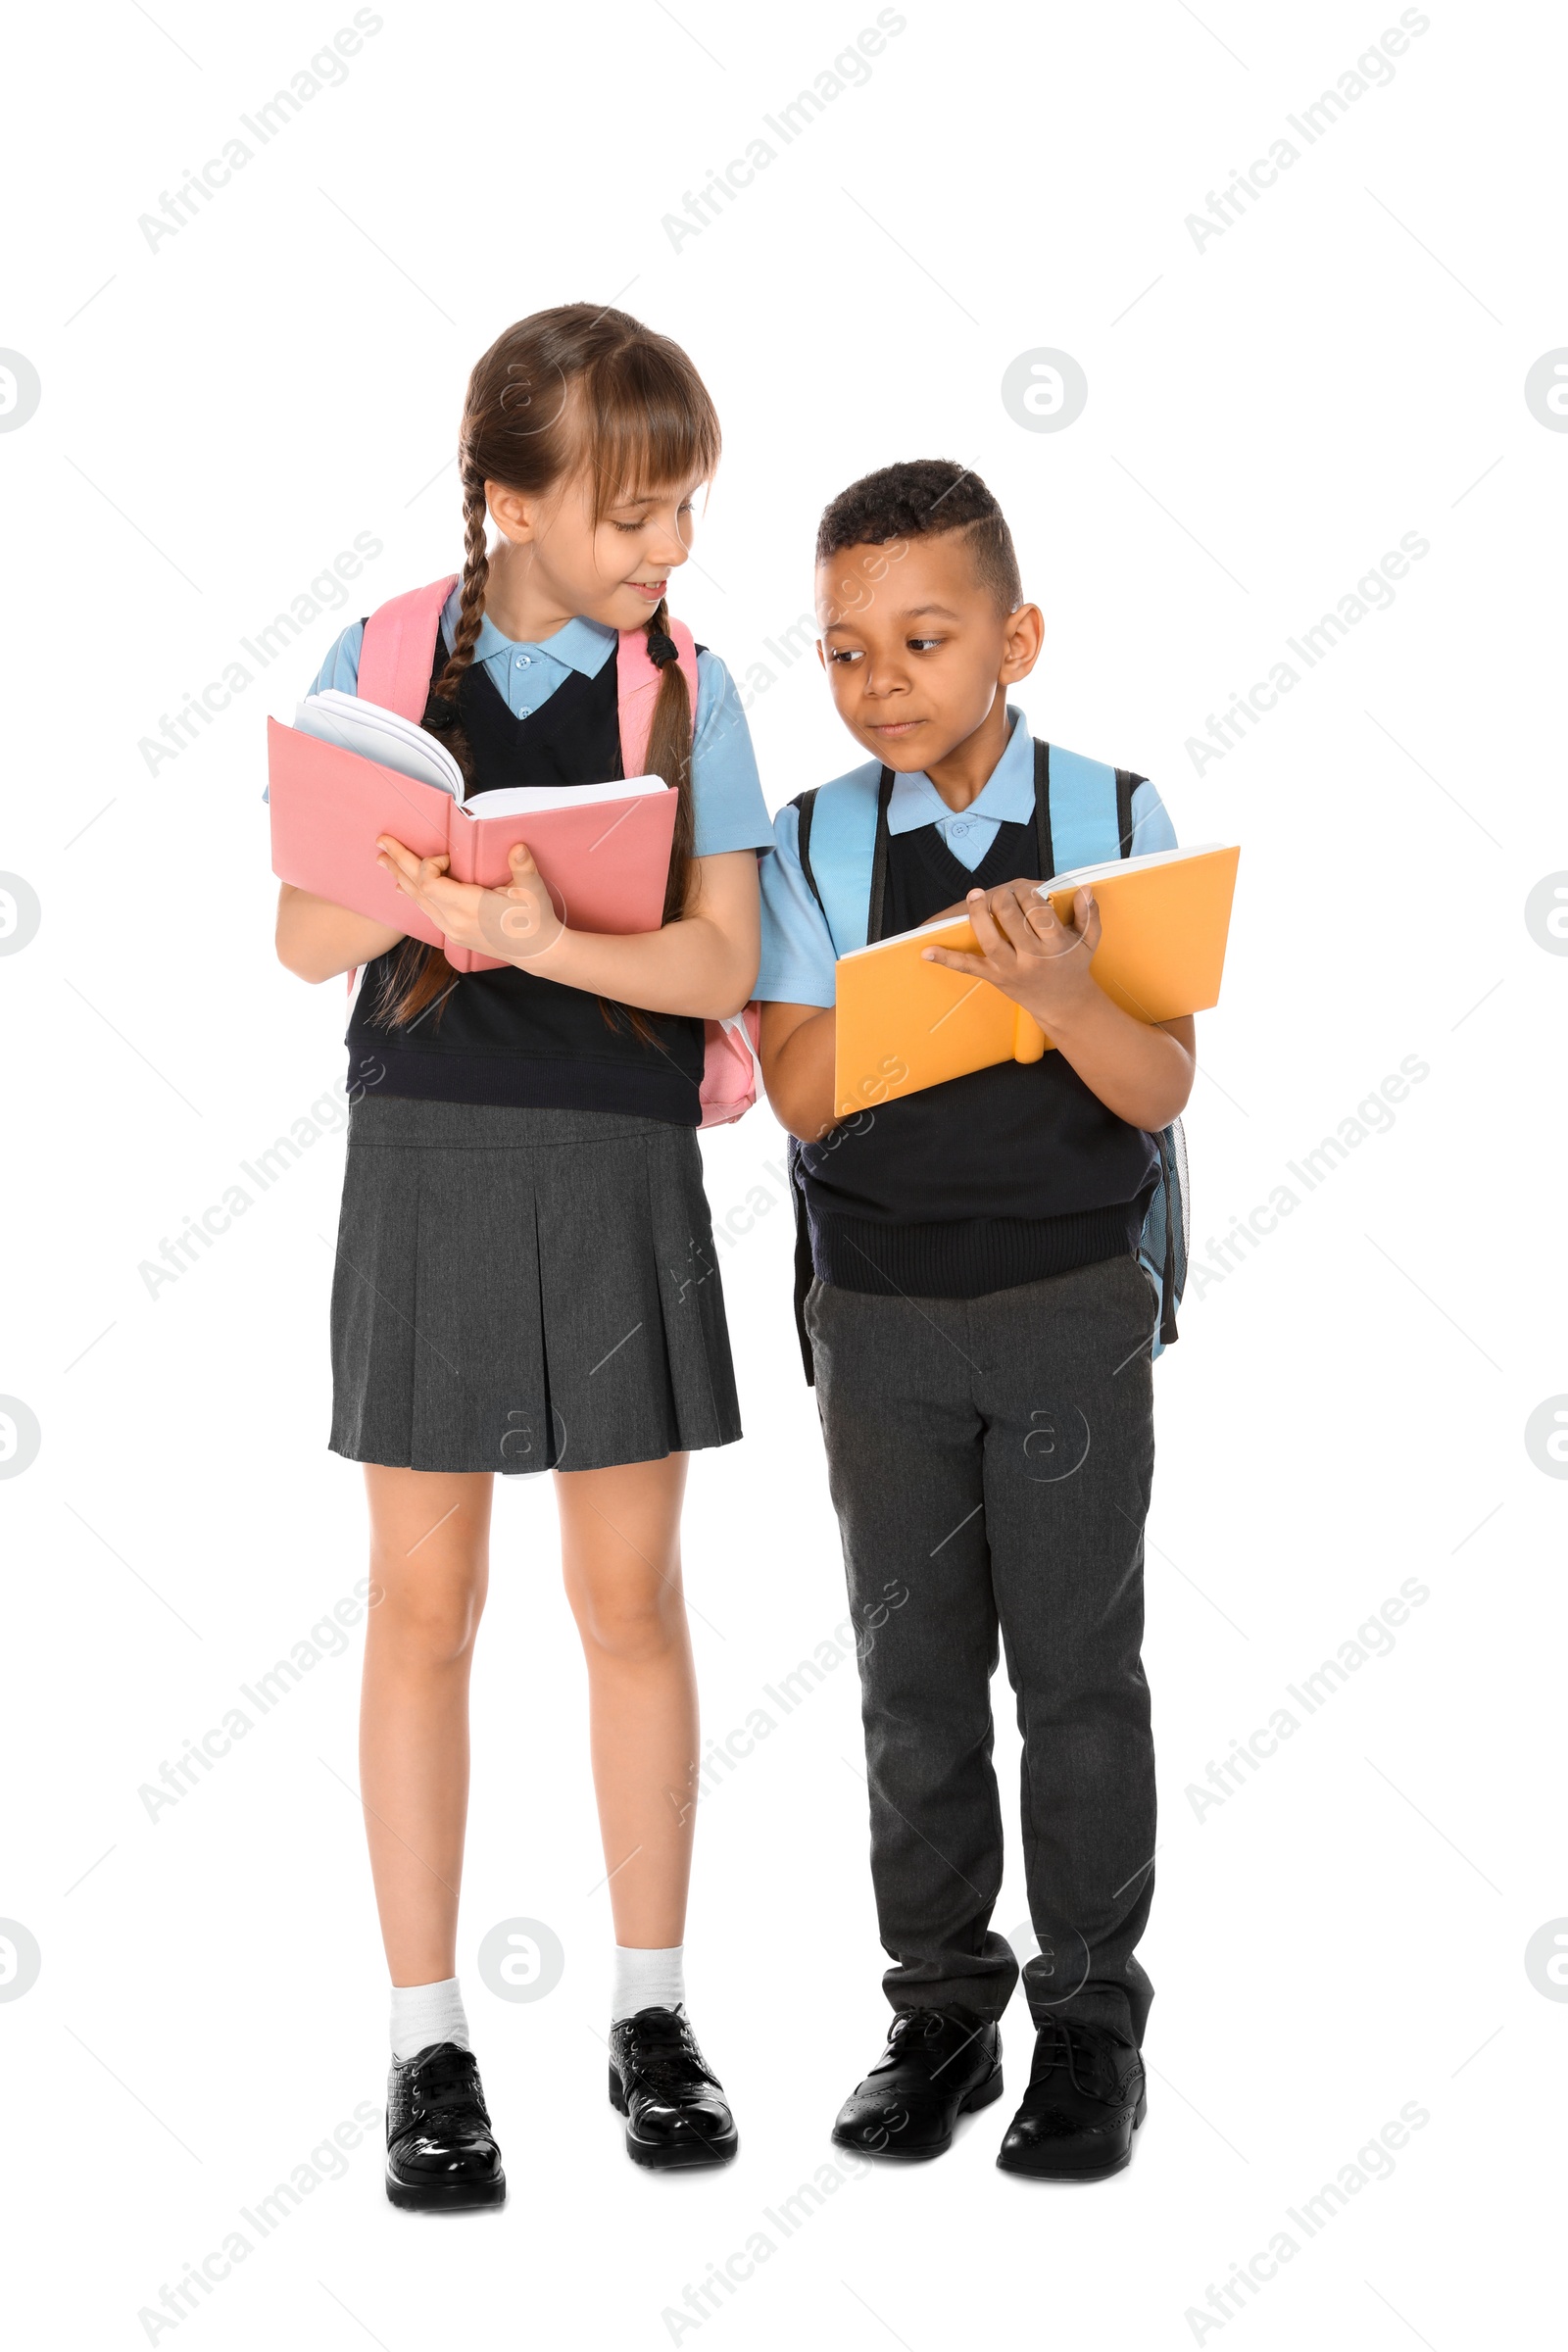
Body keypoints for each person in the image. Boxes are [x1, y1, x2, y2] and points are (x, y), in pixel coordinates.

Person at [275, 305, 771, 2206]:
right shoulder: (381, 660)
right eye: (634, 509)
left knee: (629, 1601)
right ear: (509, 496)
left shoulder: (688, 692)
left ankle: (648, 2011)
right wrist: (397, 892)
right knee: (422, 1605)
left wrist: (541, 935)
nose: (667, 547)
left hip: (616, 1154)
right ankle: (424, 2043)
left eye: (681, 507)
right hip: (425, 1153)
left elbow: (722, 963)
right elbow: (300, 948)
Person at [756, 460, 1196, 2180]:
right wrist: (942, 983)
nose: (884, 683)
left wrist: (1063, 989)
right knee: (913, 1684)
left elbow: (1155, 1081)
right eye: (847, 652)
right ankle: (940, 2010)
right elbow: (798, 1093)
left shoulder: (1115, 817)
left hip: (1074, 1305)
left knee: (1080, 1678)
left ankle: (1091, 2030)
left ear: (1015, 637)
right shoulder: (810, 839)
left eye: (924, 639)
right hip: (882, 1321)